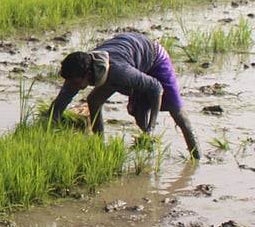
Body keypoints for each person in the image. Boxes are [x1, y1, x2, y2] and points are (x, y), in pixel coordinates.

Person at [46, 32, 200, 159]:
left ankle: (196, 155)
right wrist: (47, 126)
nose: (71, 85)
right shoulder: (77, 71)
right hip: (129, 54)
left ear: (88, 74)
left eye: (74, 82)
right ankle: (99, 146)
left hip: (155, 59)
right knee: (97, 101)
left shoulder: (120, 72)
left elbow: (156, 88)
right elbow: (59, 105)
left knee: (177, 112)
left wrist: (151, 127)